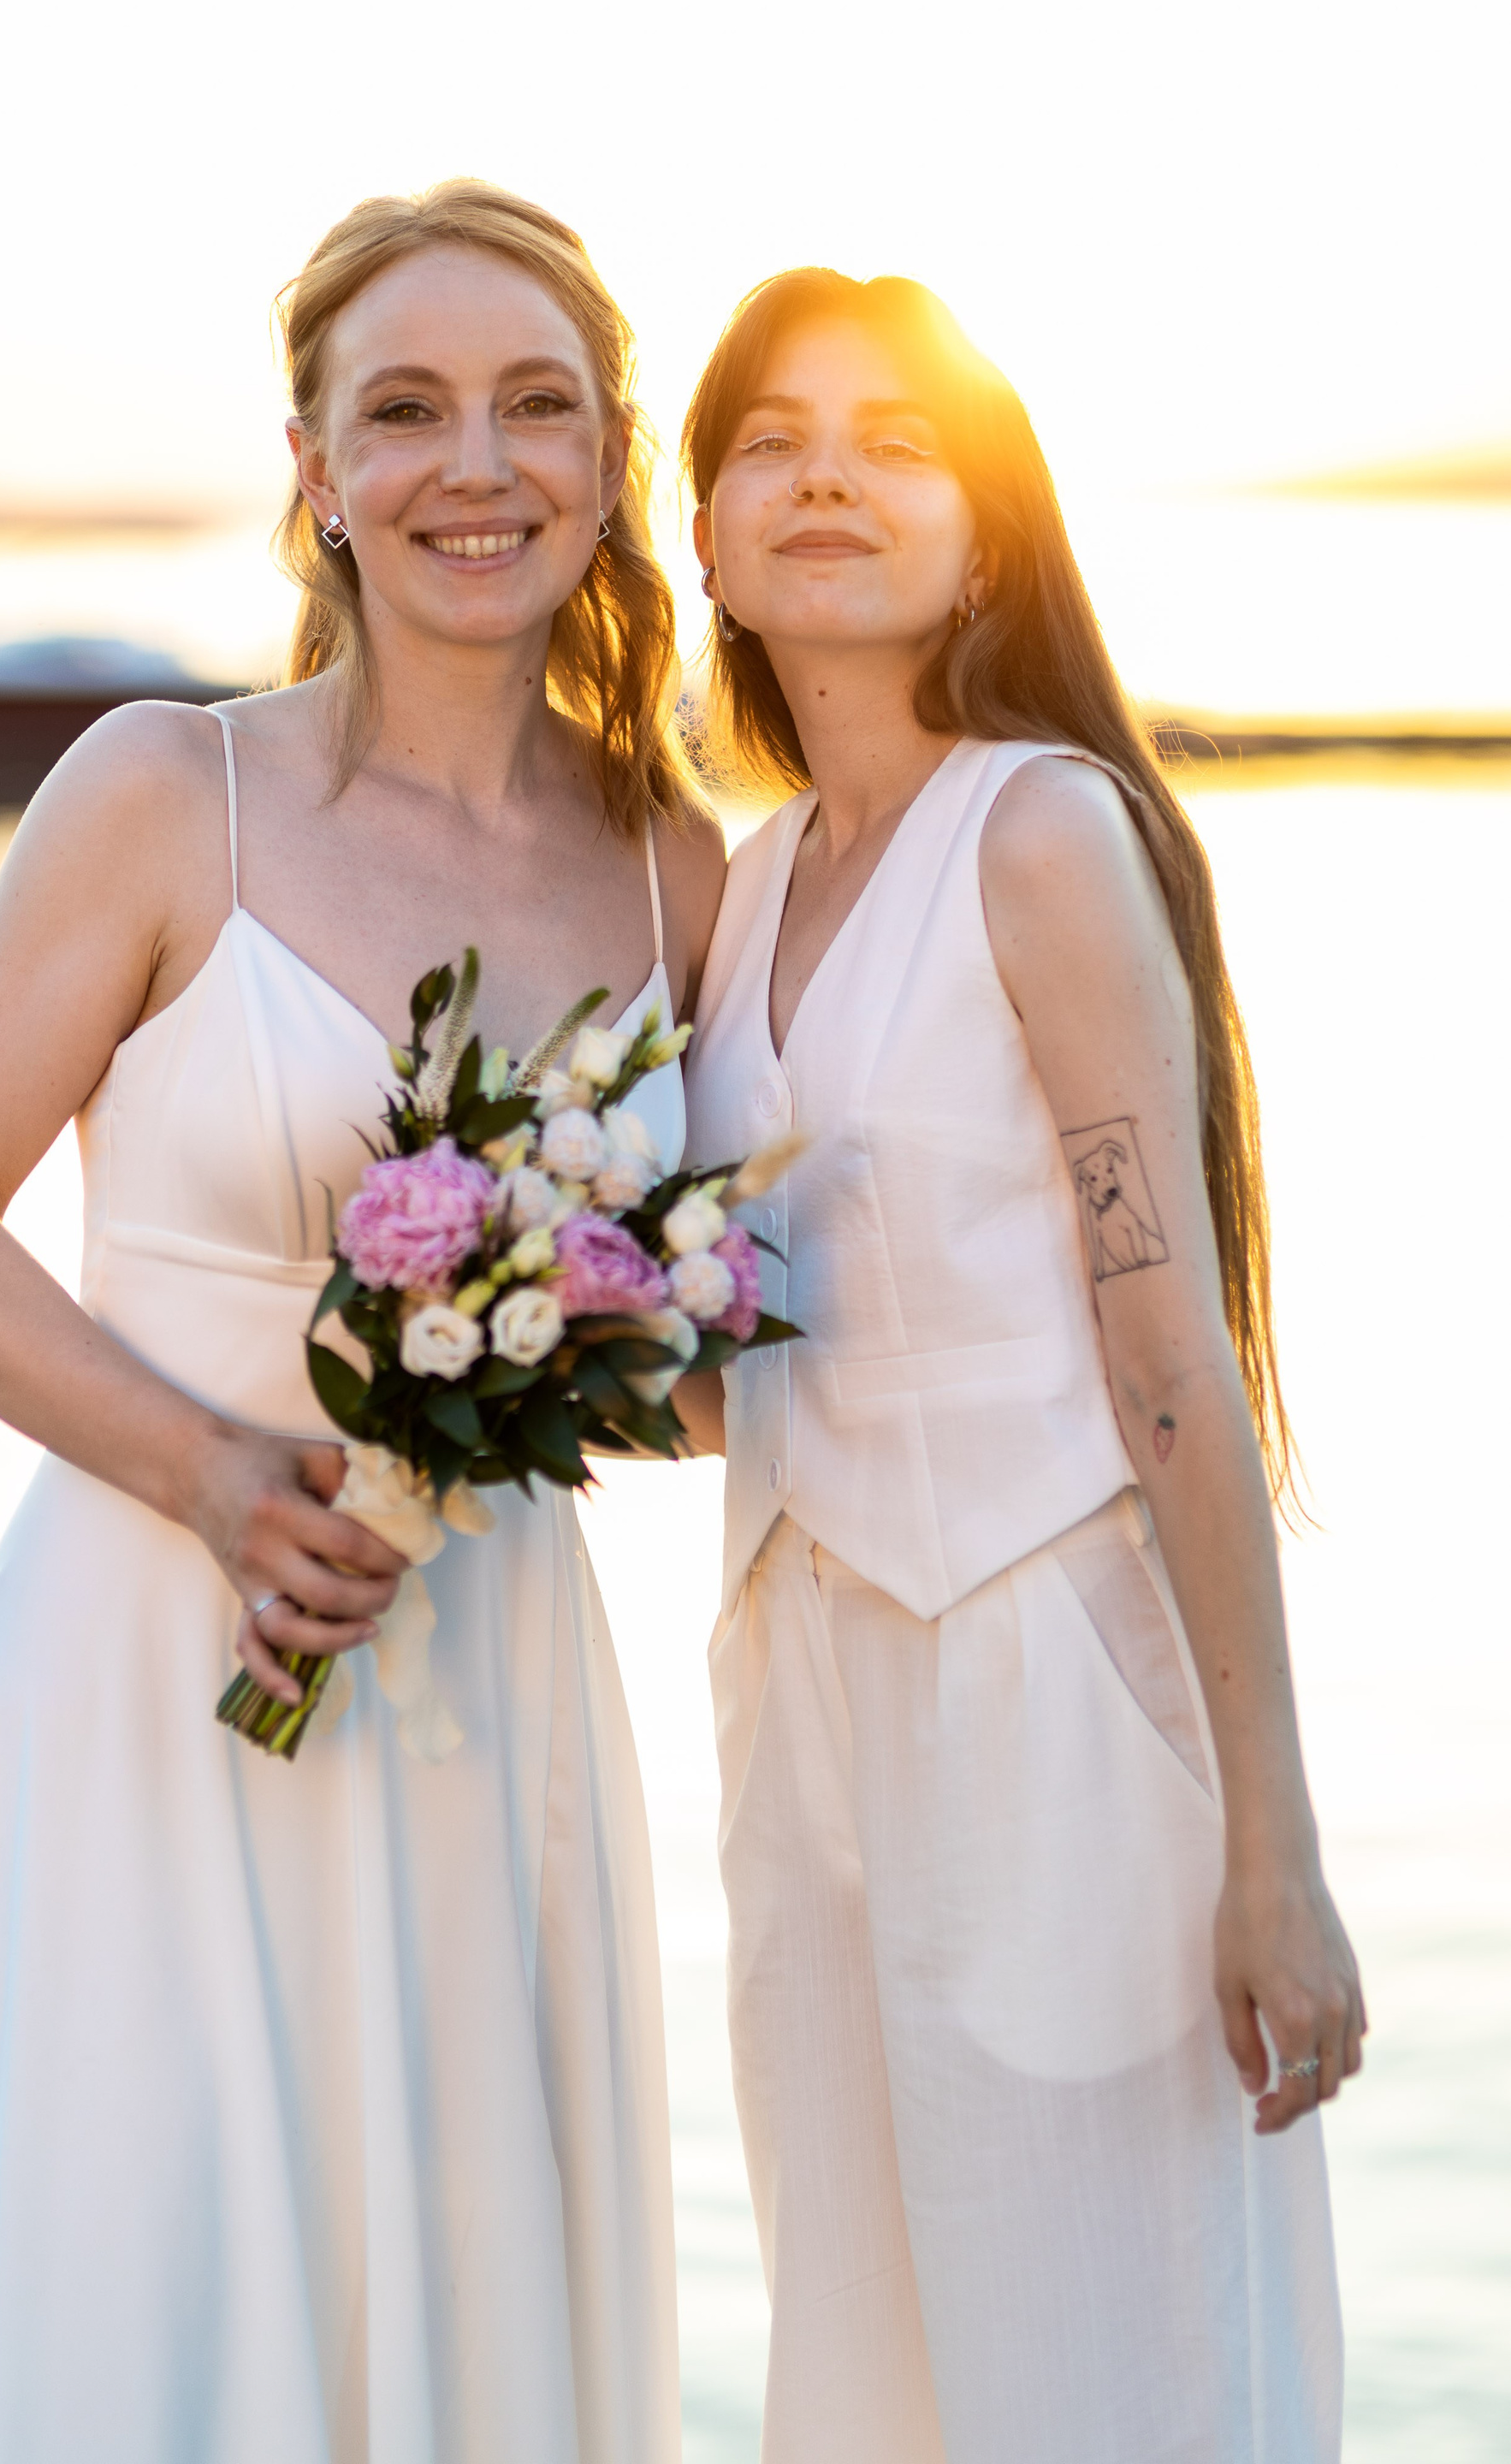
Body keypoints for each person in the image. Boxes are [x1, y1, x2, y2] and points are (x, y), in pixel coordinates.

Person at [0, 180, 724, 2464]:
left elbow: (707, 1346)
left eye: (537, 406)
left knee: (462, 2320)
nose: (478, 464)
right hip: (156, 1661)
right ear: (317, 468)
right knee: (149, 2304)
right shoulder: (168, 793)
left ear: (608, 457)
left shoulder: (676, 863)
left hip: (491, 1686)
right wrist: (215, 1476)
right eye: (407, 409)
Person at [675, 268, 1362, 2463]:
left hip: (1041, 1672)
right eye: (775, 444)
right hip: (800, 1700)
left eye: (897, 444)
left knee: (1102, 2366)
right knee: (869, 2368)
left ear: (987, 536)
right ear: (707, 537)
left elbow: (1169, 1357)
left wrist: (1275, 1846)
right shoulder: (746, 890)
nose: (829, 481)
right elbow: (742, 1364)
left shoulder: (1043, 830)